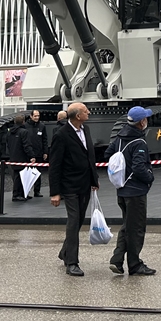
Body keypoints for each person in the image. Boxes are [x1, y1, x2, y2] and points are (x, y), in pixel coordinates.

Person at [48, 102, 99, 277]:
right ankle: (72, 262)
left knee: (79, 220)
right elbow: (55, 165)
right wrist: (55, 192)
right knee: (73, 220)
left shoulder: (86, 130)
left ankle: (65, 252)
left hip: (84, 184)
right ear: (78, 116)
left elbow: (89, 156)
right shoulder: (61, 135)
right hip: (69, 186)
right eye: (86, 111)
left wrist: (94, 179)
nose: (89, 112)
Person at [107, 106, 157, 277]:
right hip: (135, 192)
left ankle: (117, 260)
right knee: (136, 228)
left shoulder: (120, 138)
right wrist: (149, 176)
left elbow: (109, 153)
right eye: (146, 119)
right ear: (142, 122)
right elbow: (139, 167)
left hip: (121, 189)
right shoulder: (139, 142)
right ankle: (135, 265)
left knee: (127, 226)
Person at [7, 112, 37, 201]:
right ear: (23, 122)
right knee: (21, 177)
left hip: (13, 156)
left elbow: (7, 144)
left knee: (17, 176)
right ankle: (17, 194)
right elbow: (26, 145)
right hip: (22, 157)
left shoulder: (10, 132)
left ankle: (21, 193)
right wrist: (31, 155)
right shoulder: (24, 132)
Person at [25, 110, 47, 197]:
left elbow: (44, 139)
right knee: (28, 173)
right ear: (31, 116)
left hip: (39, 152)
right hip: (28, 153)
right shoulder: (25, 126)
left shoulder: (42, 126)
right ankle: (27, 191)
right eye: (35, 116)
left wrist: (45, 152)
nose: (37, 118)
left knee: (38, 173)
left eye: (38, 116)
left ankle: (37, 191)